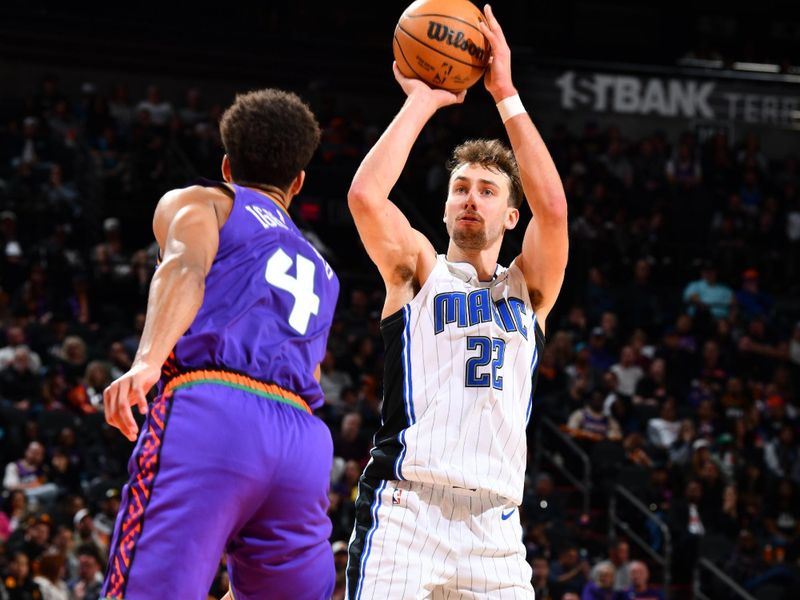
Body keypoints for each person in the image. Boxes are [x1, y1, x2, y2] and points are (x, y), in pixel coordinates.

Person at [344, 5, 568, 597]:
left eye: (488, 190)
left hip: (496, 525)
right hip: (406, 510)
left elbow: (556, 211)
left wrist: (507, 94)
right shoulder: (419, 271)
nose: (471, 198)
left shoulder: (530, 288)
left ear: (510, 215)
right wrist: (422, 100)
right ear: (444, 207)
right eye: (460, 188)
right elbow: (365, 197)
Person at [100, 89, 340, 599]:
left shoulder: (204, 202)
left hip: (215, 411)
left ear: (226, 166)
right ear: (298, 182)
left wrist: (146, 362)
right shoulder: (325, 271)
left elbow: (184, 267)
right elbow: (311, 373)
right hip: (303, 441)